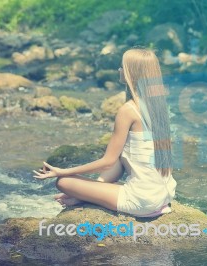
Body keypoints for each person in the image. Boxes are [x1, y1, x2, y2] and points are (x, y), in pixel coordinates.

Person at [33, 48, 177, 217]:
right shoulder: (158, 107)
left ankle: (86, 196)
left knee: (64, 182)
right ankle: (89, 195)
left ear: (132, 73)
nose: (119, 70)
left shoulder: (129, 109)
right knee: (120, 155)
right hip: (164, 194)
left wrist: (63, 171)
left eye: (122, 67)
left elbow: (107, 162)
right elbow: (117, 162)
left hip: (142, 200)